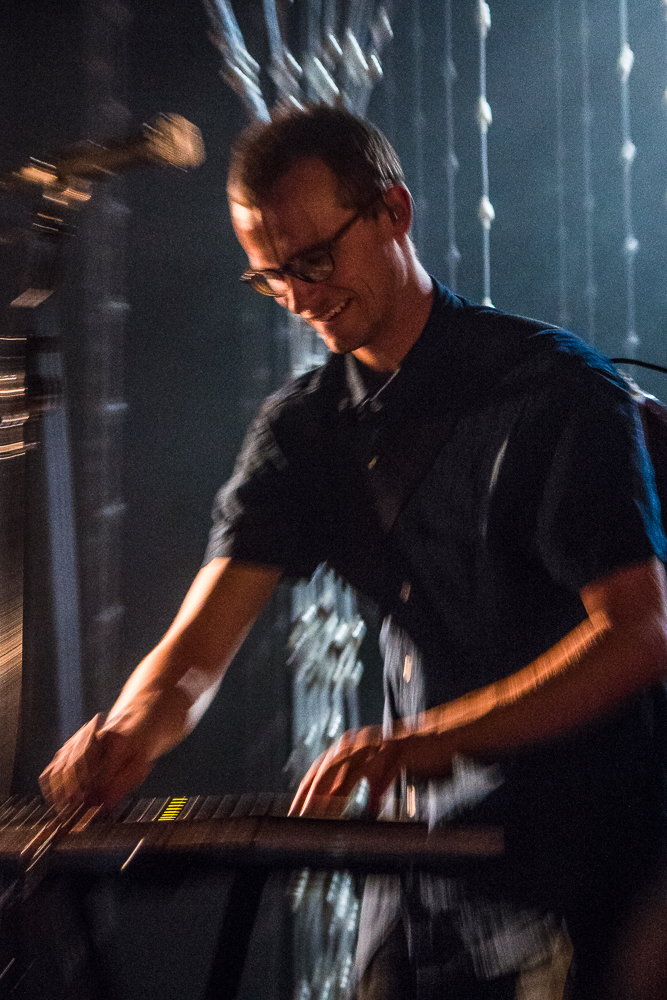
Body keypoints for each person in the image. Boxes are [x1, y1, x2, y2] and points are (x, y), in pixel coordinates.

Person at [40, 104, 667, 1000]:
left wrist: (427, 739)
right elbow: (195, 652)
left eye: (313, 260)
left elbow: (640, 635)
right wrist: (131, 730)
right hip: (423, 860)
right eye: (269, 278)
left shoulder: (557, 394)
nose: (297, 296)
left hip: (592, 850)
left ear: (392, 213)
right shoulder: (302, 430)